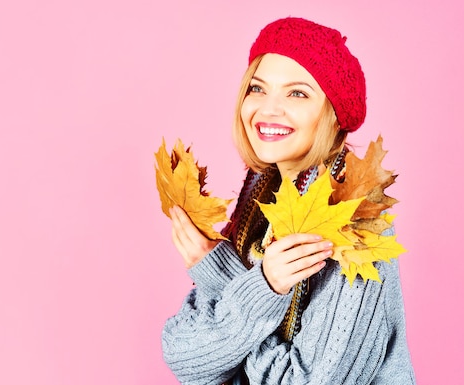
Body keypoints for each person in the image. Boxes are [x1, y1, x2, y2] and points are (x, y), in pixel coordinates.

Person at [162, 17, 416, 385]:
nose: (268, 109)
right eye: (257, 89)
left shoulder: (354, 220)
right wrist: (259, 286)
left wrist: (228, 279)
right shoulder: (259, 204)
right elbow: (185, 357)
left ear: (331, 114)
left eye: (297, 93)